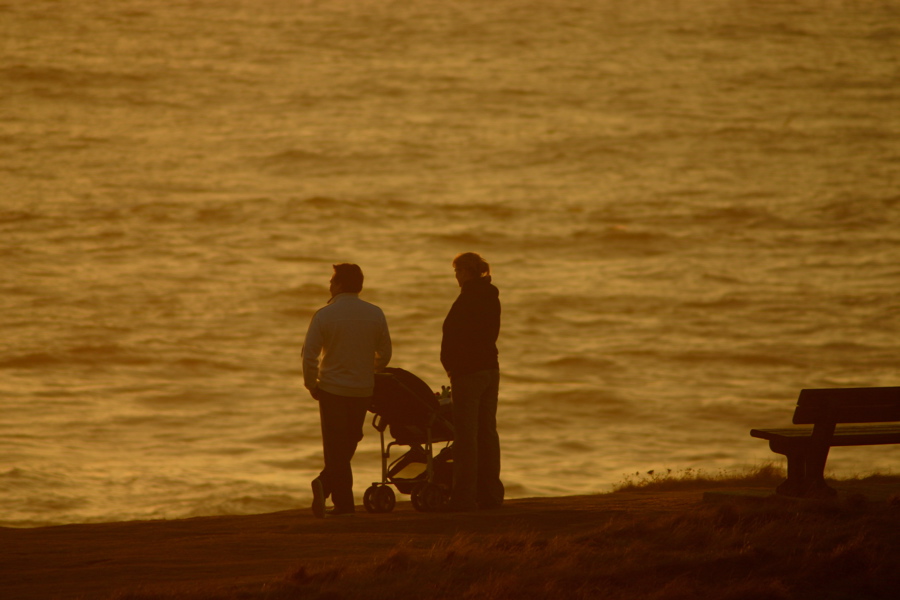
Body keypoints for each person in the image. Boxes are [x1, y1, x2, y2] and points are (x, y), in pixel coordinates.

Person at [302, 263, 392, 518]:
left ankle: (331, 491)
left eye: (332, 281)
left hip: (332, 389)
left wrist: (312, 384)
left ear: (340, 284)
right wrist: (368, 368)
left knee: (336, 448)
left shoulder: (324, 315)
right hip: (362, 389)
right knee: (349, 443)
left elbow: (309, 355)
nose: (329, 285)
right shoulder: (375, 313)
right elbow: (384, 354)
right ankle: (337, 496)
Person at [440, 252, 503, 511]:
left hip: (468, 373)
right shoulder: (490, 296)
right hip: (489, 368)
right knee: (487, 433)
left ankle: (463, 497)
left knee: (466, 437)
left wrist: (452, 367)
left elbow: (454, 334)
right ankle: (490, 494)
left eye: (457, 272)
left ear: (465, 272)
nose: (456, 277)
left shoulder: (468, 297)